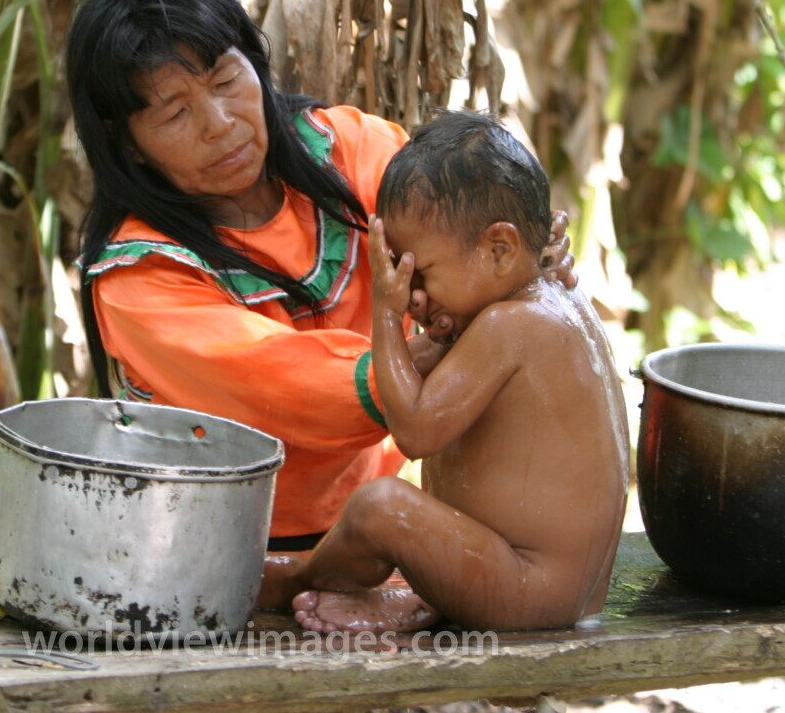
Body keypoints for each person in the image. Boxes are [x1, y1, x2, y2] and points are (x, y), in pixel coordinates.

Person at [66, 0, 574, 550]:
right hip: (222, 548)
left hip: (385, 520)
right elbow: (288, 387)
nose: (220, 124)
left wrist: (525, 261)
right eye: (175, 113)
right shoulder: (140, 276)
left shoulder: (353, 149)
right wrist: (473, 333)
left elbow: (472, 248)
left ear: (256, 64)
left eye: (228, 81)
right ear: (127, 143)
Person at [258, 111, 629, 632]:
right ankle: (425, 599)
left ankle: (294, 580)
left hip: (527, 592)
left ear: (499, 250)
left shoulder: (509, 324)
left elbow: (413, 431)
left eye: (419, 274)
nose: (413, 297)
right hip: (552, 587)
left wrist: (386, 315)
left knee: (382, 508)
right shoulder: (555, 295)